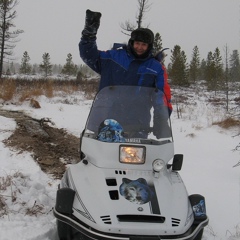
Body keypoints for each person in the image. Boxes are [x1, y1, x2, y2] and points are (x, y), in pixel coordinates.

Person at [79, 9, 172, 139]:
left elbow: (162, 96)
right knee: (101, 156)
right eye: (137, 43)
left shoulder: (156, 68)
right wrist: (89, 34)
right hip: (106, 118)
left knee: (138, 157)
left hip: (138, 123)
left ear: (149, 46)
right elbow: (89, 55)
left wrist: (161, 120)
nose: (140, 47)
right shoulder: (113, 57)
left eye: (144, 44)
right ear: (132, 42)